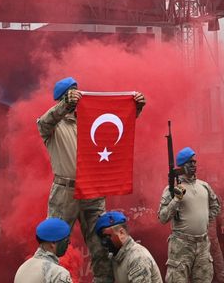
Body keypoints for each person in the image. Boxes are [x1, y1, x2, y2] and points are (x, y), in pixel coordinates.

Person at [37, 77, 146, 282]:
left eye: (77, 93)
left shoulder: (90, 120)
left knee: (102, 243)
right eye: (72, 94)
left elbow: (117, 121)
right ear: (62, 99)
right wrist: (65, 105)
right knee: (52, 243)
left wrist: (135, 107)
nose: (78, 97)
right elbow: (44, 122)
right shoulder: (54, 126)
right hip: (65, 192)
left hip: (92, 188)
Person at [157, 147, 221, 283]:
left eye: (194, 162)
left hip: (203, 244)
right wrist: (176, 200)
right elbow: (162, 218)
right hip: (181, 245)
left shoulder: (204, 186)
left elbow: (215, 205)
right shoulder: (171, 190)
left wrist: (203, 221)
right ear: (181, 166)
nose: (194, 165)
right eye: (190, 162)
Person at [95, 211, 162, 283]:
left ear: (121, 233)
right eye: (102, 238)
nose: (103, 242)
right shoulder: (115, 256)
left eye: (107, 237)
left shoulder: (137, 257)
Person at [15, 218, 73, 283]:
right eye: (66, 240)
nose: (69, 243)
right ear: (53, 243)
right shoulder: (58, 274)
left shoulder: (22, 268)